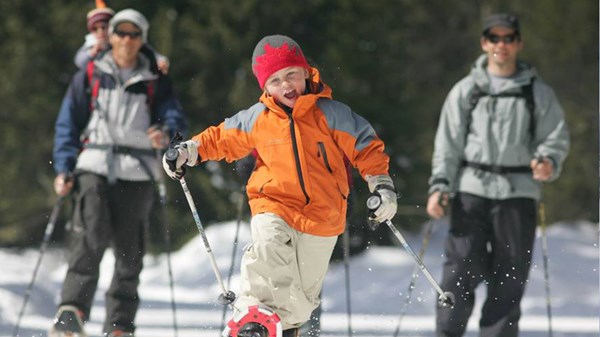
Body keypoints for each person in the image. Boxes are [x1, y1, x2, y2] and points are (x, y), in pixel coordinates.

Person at [163, 34, 397, 337]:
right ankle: (251, 319)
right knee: (267, 247)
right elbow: (221, 137)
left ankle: (282, 329)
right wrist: (187, 151)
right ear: (265, 87)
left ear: (306, 73)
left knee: (303, 298)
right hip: (274, 204)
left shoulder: (332, 114)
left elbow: (367, 148)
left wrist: (382, 187)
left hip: (323, 217)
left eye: (291, 75)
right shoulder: (257, 118)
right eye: (275, 80)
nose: (286, 85)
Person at [426, 13, 570, 337]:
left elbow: (556, 137)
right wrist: (440, 186)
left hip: (518, 194)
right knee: (459, 271)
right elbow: (447, 144)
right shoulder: (466, 91)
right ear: (484, 42)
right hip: (471, 191)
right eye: (494, 38)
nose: (501, 45)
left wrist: (548, 160)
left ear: (518, 43)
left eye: (508, 38)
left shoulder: (538, 94)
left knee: (510, 277)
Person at [50, 8, 187, 337]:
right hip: (94, 165)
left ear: (142, 39)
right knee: (90, 235)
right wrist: (65, 167)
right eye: (120, 33)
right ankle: (72, 311)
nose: (126, 40)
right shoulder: (91, 73)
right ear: (110, 36)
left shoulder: (156, 79)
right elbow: (68, 123)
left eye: (134, 34)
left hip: (138, 171)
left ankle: (119, 325)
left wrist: (166, 133)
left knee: (130, 252)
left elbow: (175, 119)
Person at [74, 0, 170, 75]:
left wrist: (160, 62)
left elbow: (151, 53)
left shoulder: (129, 41)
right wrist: (91, 53)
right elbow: (79, 61)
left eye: (104, 27)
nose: (100, 32)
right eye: (95, 29)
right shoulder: (92, 43)